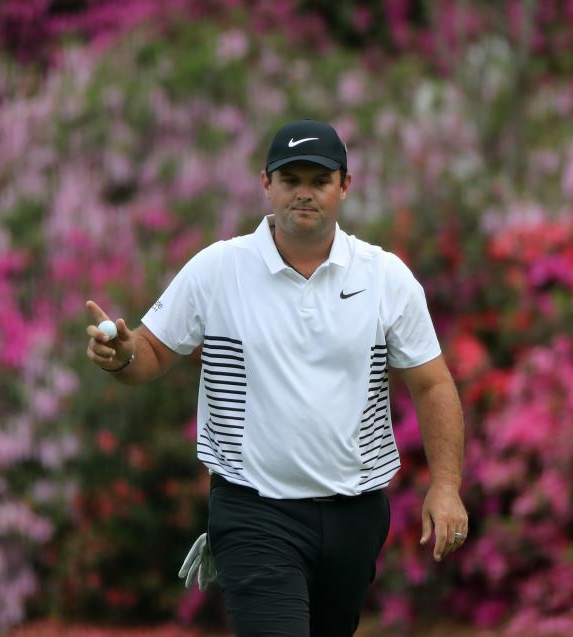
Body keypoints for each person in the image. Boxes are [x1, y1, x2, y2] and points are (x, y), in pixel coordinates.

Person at [85, 119, 468, 636]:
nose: (304, 193)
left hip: (355, 512)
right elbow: (152, 351)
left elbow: (433, 384)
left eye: (319, 180)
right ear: (266, 184)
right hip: (252, 509)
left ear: (344, 187)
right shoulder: (218, 269)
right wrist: (123, 357)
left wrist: (445, 487)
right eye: (291, 180)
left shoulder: (384, 277)